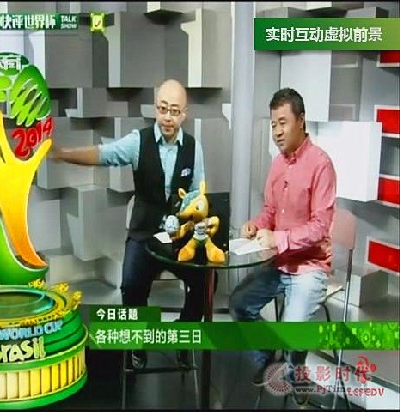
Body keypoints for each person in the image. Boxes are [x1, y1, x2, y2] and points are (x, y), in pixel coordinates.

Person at [50, 79, 210, 369]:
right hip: (144, 234)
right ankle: (139, 342)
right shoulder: (139, 141)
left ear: (184, 114)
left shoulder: (194, 148)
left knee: (204, 282)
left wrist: (188, 215)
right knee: (132, 285)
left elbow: (198, 193)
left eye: (174, 111)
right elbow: (104, 154)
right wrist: (64, 154)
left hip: (179, 236)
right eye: (162, 109)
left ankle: (182, 336)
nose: (168, 117)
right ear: (155, 108)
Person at [229, 88, 337, 405]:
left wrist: (279, 239)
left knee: (292, 328)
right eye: (273, 124)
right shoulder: (277, 164)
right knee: (238, 303)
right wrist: (256, 225)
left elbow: (320, 227)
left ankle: (295, 372)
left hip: (310, 266)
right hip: (279, 264)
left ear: (301, 121)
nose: (276, 131)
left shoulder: (321, 164)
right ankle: (267, 356)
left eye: (283, 122)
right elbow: (271, 212)